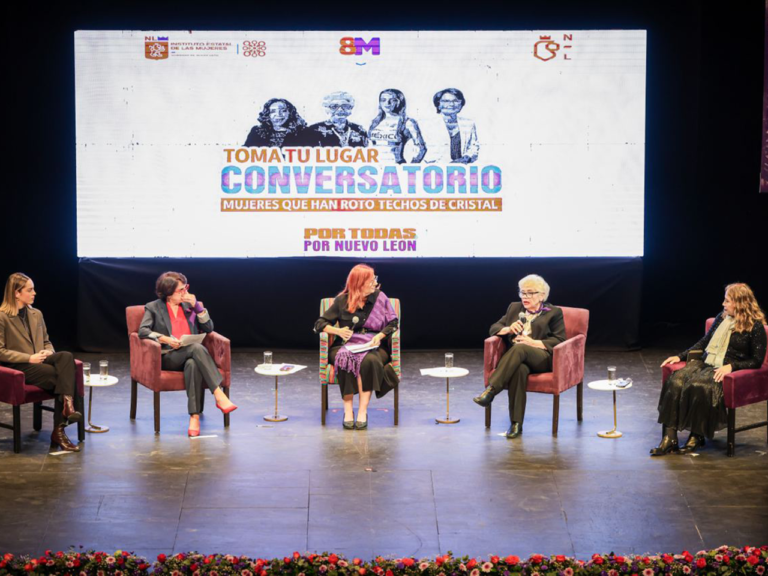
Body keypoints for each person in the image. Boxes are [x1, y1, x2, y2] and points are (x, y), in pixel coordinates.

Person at [653, 283, 767, 456]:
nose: (723, 304)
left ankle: (696, 436)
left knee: (701, 385)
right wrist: (681, 356)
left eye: (727, 301)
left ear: (740, 303)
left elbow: (757, 361)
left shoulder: (755, 327)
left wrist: (732, 366)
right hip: (707, 362)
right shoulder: (722, 318)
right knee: (675, 380)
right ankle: (670, 438)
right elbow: (704, 342)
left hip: (727, 368)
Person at [138, 271, 237, 437]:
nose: (185, 293)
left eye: (186, 288)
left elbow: (209, 329)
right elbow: (142, 331)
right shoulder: (153, 307)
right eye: (181, 290)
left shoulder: (190, 305)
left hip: (191, 356)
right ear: (168, 293)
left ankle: (194, 417)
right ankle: (218, 394)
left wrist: (198, 307)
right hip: (169, 356)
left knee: (192, 364)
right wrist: (165, 339)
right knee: (197, 348)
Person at [473, 274, 566, 438]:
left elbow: (559, 340)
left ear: (542, 295)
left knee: (520, 348)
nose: (525, 297)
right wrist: (508, 328)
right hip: (517, 359)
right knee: (519, 370)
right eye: (523, 293)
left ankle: (491, 391)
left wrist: (532, 342)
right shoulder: (514, 308)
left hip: (542, 358)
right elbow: (494, 328)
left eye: (530, 293)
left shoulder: (554, 312)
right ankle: (516, 425)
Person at [0, 273, 82, 452]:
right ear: (16, 293)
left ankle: (67, 406)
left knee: (65, 356)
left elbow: (46, 340)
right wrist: (29, 358)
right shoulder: (2, 316)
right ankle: (60, 431)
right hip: (20, 366)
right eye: (30, 290)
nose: (34, 293)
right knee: (64, 378)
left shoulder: (36, 313)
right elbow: (0, 351)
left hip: (40, 359)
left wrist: (49, 350)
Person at [314, 264, 399, 429]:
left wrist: (380, 336)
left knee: (369, 361)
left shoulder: (380, 297)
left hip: (373, 344)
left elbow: (393, 322)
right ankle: (348, 410)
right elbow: (319, 324)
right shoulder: (341, 301)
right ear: (360, 282)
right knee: (345, 358)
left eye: (375, 278)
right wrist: (337, 331)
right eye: (371, 279)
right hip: (347, 345)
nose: (375, 282)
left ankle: (362, 411)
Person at [421, 88, 479, 164]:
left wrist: (465, 159)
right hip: (435, 169)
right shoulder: (427, 125)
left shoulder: (469, 124)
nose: (451, 104)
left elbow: (474, 148)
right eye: (446, 101)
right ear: (438, 104)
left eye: (455, 101)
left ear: (461, 103)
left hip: (462, 169)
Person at [368, 89, 427, 164]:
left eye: (392, 100)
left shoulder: (407, 122)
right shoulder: (375, 122)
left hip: (395, 167)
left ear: (400, 102)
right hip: (374, 166)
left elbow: (421, 148)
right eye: (383, 100)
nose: (387, 103)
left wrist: (412, 166)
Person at [298, 91, 369, 147]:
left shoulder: (360, 130)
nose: (340, 110)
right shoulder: (313, 130)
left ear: (351, 108)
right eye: (334, 106)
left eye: (345, 106)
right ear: (327, 109)